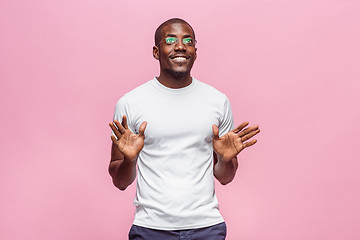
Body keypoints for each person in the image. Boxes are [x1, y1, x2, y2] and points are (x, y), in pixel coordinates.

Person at [108, 18, 260, 240]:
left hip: (207, 227)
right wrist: (130, 160)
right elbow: (120, 182)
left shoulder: (217, 101)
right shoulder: (130, 103)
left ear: (195, 52)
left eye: (188, 41)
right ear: (155, 51)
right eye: (170, 40)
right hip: (150, 228)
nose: (180, 46)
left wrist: (226, 160)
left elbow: (225, 178)